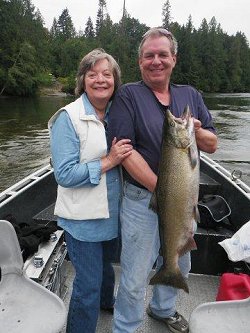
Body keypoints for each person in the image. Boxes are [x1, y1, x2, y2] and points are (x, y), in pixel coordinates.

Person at [107, 27, 218, 333]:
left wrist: (195, 130)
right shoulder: (128, 95)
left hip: (183, 200)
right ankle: (125, 327)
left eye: (162, 54)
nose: (156, 61)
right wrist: (165, 190)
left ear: (174, 59)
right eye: (149, 55)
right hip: (142, 199)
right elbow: (125, 151)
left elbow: (211, 143)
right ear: (140, 61)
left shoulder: (190, 95)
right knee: (134, 274)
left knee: (180, 262)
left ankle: (163, 309)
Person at [48, 48, 132, 333]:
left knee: (107, 265)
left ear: (115, 80)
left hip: (113, 213)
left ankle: (106, 302)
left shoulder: (119, 113)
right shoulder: (67, 118)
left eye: (107, 74)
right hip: (82, 220)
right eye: (92, 74)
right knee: (87, 285)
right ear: (82, 80)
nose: (100, 80)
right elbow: (65, 174)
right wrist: (108, 161)